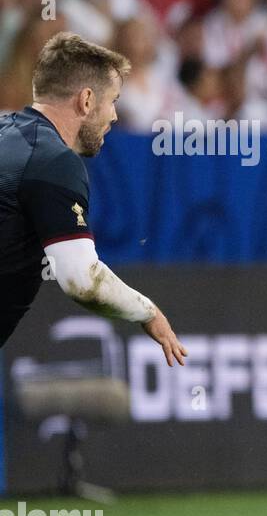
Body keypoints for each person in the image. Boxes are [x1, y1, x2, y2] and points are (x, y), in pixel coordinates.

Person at [0, 31, 186, 364]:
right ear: (86, 100)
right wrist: (148, 311)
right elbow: (82, 280)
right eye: (112, 99)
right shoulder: (53, 161)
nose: (115, 115)